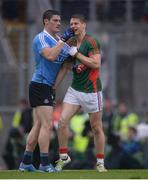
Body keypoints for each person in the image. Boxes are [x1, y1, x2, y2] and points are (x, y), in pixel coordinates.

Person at [19, 9, 74, 172]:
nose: (58, 23)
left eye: (59, 20)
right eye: (55, 20)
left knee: (38, 125)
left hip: (46, 87)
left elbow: (65, 66)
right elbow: (50, 56)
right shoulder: (41, 38)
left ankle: (26, 162)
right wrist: (64, 40)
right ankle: (44, 164)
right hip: (39, 85)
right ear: (46, 22)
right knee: (47, 125)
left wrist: (54, 87)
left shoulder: (58, 40)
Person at [55, 14, 107, 172]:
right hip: (75, 90)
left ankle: (100, 162)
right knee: (62, 122)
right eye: (71, 24)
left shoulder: (91, 42)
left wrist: (76, 54)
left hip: (92, 91)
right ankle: (64, 157)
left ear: (84, 25)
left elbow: (96, 63)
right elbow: (65, 67)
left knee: (96, 128)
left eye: (76, 23)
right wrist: (53, 88)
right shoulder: (70, 42)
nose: (73, 26)